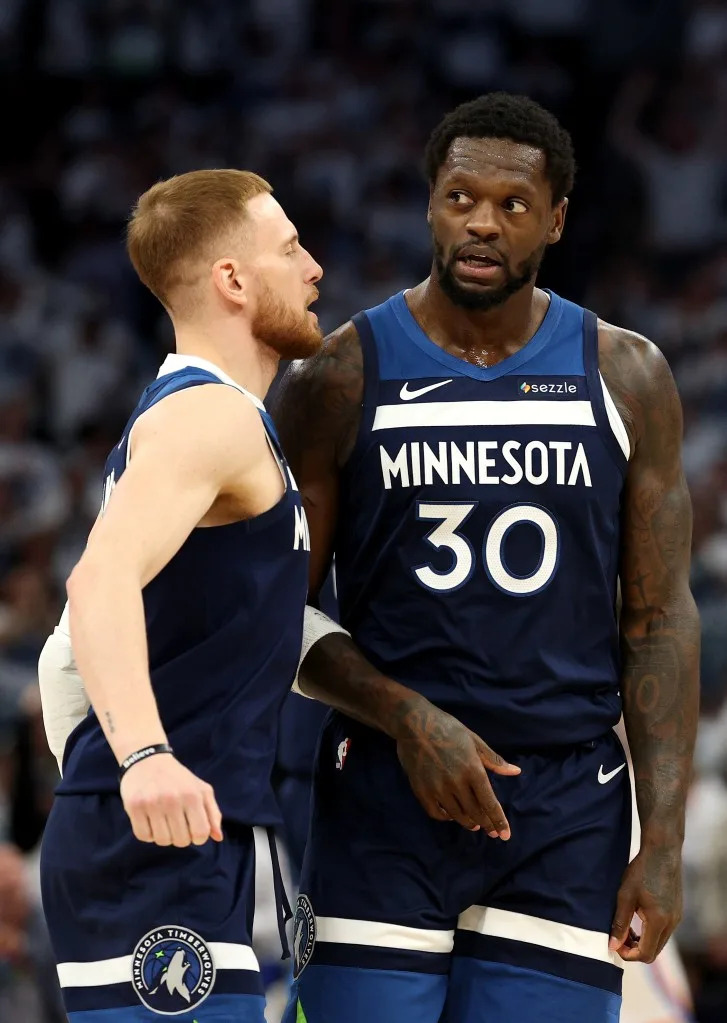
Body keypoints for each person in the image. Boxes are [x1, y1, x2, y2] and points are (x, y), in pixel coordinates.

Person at [272, 93, 700, 1023]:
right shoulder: (336, 376)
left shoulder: (625, 374)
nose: (481, 222)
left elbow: (660, 618)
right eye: (460, 196)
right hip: (382, 793)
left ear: (556, 220)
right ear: (429, 203)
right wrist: (406, 715)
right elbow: (275, 613)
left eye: (513, 204)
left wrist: (662, 839)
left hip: (564, 810)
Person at [38, 168, 323, 1023]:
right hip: (151, 834)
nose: (313, 268)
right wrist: (141, 756)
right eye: (289, 249)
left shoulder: (212, 417)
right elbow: (96, 582)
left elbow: (67, 656)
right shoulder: (210, 416)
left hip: (183, 829)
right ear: (231, 279)